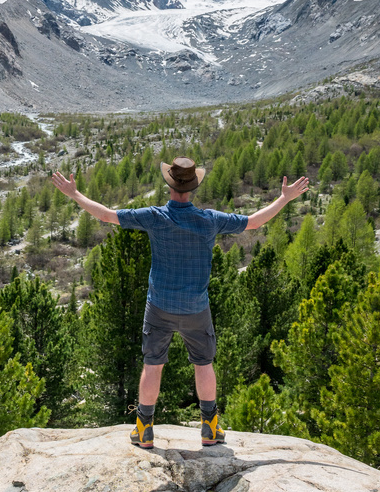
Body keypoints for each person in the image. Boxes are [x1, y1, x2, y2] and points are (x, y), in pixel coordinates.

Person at [52, 156, 309, 449]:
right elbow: (253, 222)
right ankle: (209, 429)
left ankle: (145, 429)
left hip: (159, 304)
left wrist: (74, 194)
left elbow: (108, 215)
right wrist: (283, 199)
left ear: (170, 185)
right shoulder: (210, 219)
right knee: (203, 363)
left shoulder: (155, 216)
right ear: (193, 187)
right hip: (196, 308)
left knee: (152, 364)